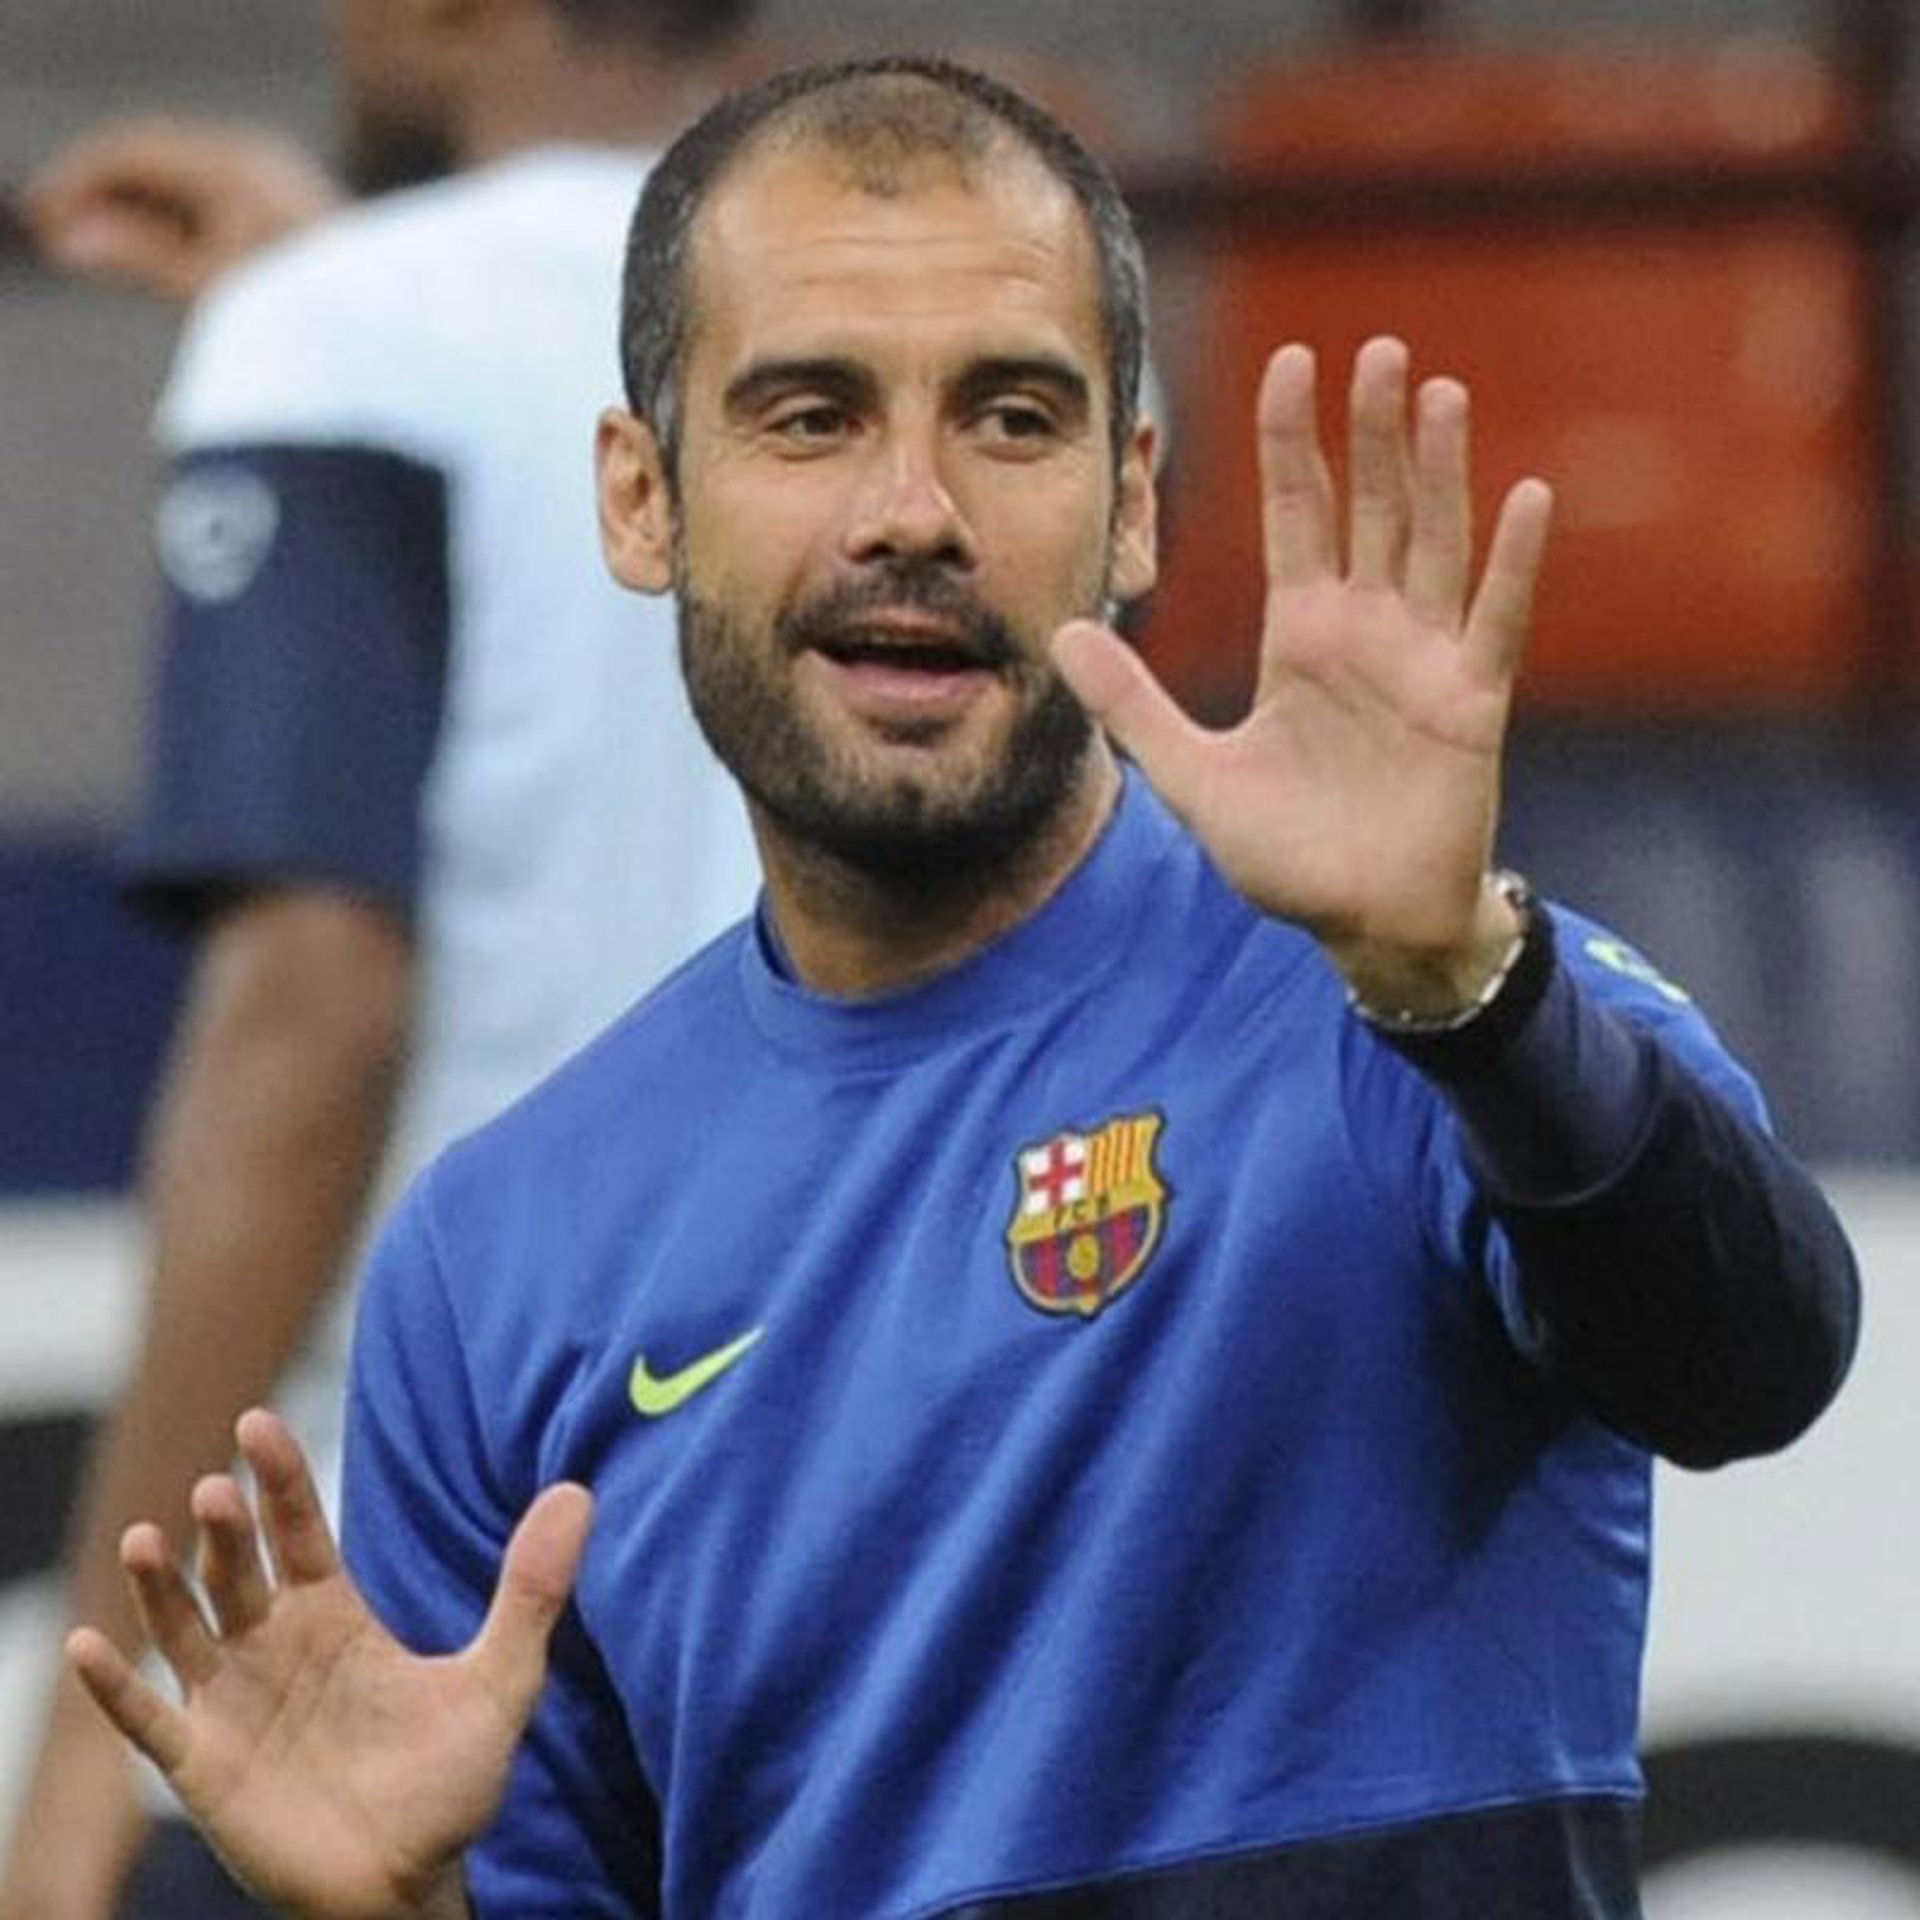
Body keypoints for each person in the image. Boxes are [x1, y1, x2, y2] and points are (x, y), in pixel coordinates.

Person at [64, 54, 1860, 1920]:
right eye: (810, 418)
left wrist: (1462, 985)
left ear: (1134, 501)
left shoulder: (1418, 1006)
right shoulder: (492, 1257)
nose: (912, 510)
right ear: (641, 499)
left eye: (1011, 417)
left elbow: (1760, 1358)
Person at [1, 6, 768, 1917]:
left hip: (398, 1634)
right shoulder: (918, 311)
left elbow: (312, 1004)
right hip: (843, 1602)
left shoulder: (351, 332)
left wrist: (96, 1734)